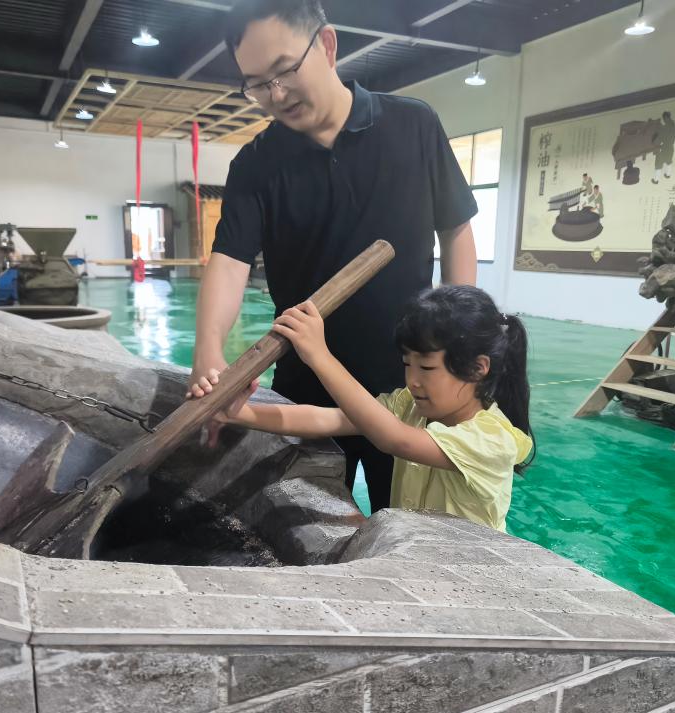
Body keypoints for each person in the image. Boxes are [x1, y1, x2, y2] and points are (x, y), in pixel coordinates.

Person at [188, 0, 479, 513]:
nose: (276, 95)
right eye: (257, 85)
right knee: (302, 526)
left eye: (284, 71)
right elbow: (230, 260)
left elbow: (455, 228)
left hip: (410, 381)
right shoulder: (256, 164)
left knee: (411, 525)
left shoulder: (413, 124)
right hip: (305, 385)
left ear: (326, 44)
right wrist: (208, 349)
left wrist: (460, 342)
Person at [212, 285, 533, 530]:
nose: (413, 381)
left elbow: (396, 440)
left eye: (427, 367)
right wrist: (238, 412)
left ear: (478, 368)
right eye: (407, 364)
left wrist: (319, 356)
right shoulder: (409, 406)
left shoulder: (492, 440)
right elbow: (326, 419)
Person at [652, 111, 675, 185]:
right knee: (669, 161)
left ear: (666, 117)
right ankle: (668, 175)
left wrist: (654, 141)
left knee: (658, 163)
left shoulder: (666, 127)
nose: (664, 120)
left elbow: (660, 137)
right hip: (671, 147)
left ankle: (656, 180)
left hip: (664, 148)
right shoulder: (673, 124)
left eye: (664, 119)